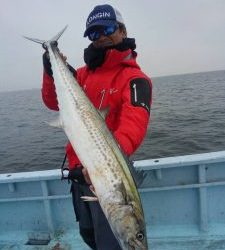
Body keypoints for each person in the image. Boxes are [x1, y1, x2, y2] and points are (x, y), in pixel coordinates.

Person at [42, 4, 152, 250]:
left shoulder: (135, 80)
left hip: (106, 180)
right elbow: (53, 102)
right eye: (93, 33)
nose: (101, 36)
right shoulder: (80, 75)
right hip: (79, 178)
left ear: (122, 31)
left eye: (108, 29)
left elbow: (133, 126)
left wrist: (103, 165)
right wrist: (50, 70)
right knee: (89, 236)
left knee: (111, 244)